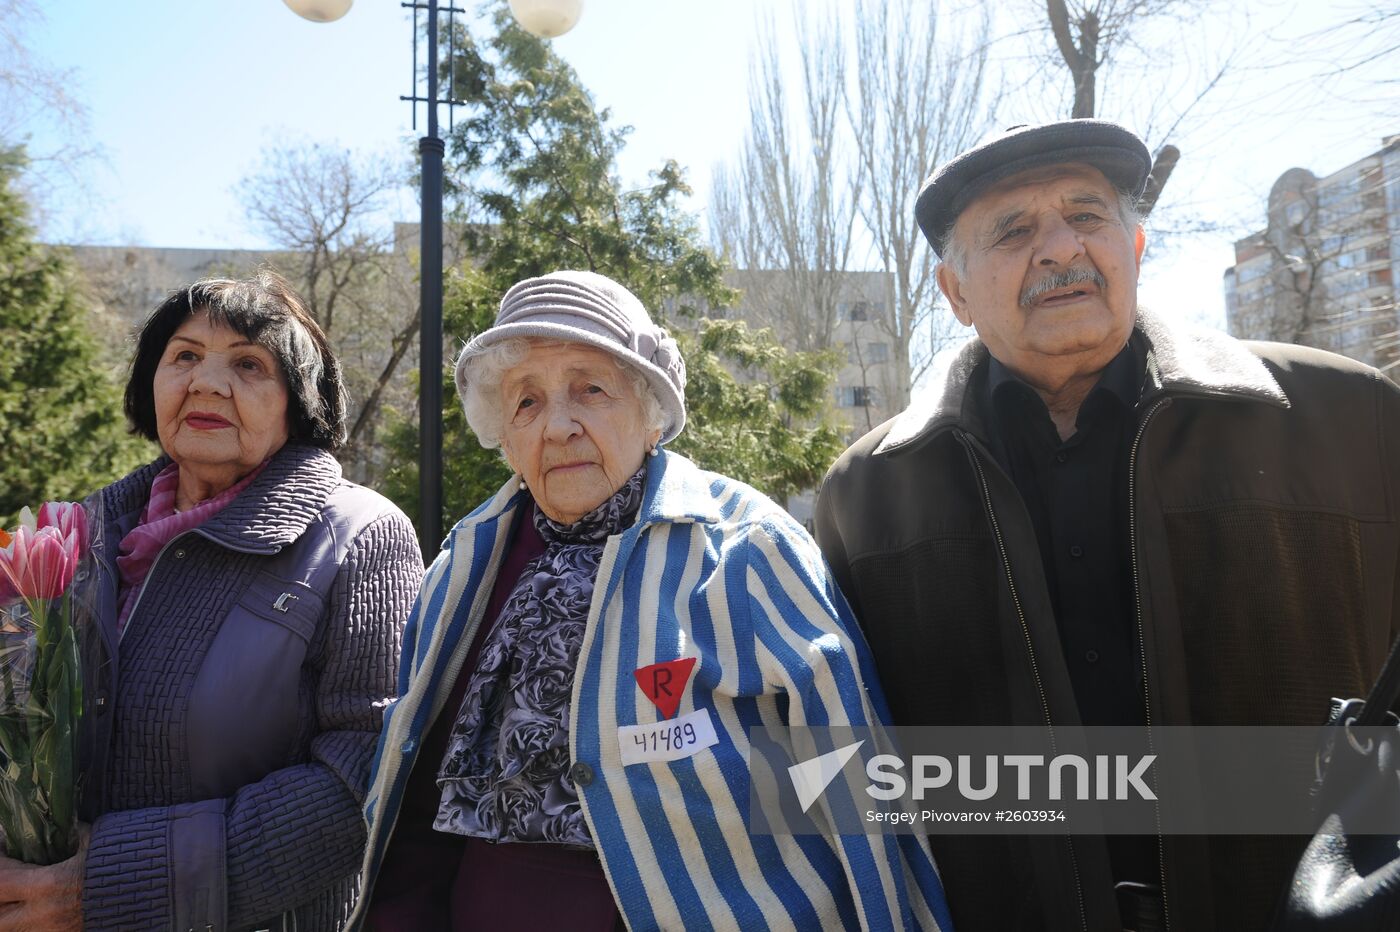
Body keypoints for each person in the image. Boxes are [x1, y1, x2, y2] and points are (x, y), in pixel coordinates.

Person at [814, 119, 1400, 931]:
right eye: (1013, 231)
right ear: (953, 292)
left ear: (1136, 244)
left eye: (1087, 215)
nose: (1058, 248)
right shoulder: (866, 495)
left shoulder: (1352, 418)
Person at [351, 270, 951, 931]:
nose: (558, 426)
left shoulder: (745, 544)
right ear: (506, 435)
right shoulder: (463, 564)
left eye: (591, 389)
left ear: (650, 410)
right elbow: (415, 807)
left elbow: (854, 774)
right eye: (526, 401)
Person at [0, 272, 424, 931]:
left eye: (250, 364)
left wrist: (112, 884)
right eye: (185, 356)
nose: (207, 383)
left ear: (298, 400)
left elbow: (367, 775)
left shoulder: (360, 536)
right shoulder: (79, 534)